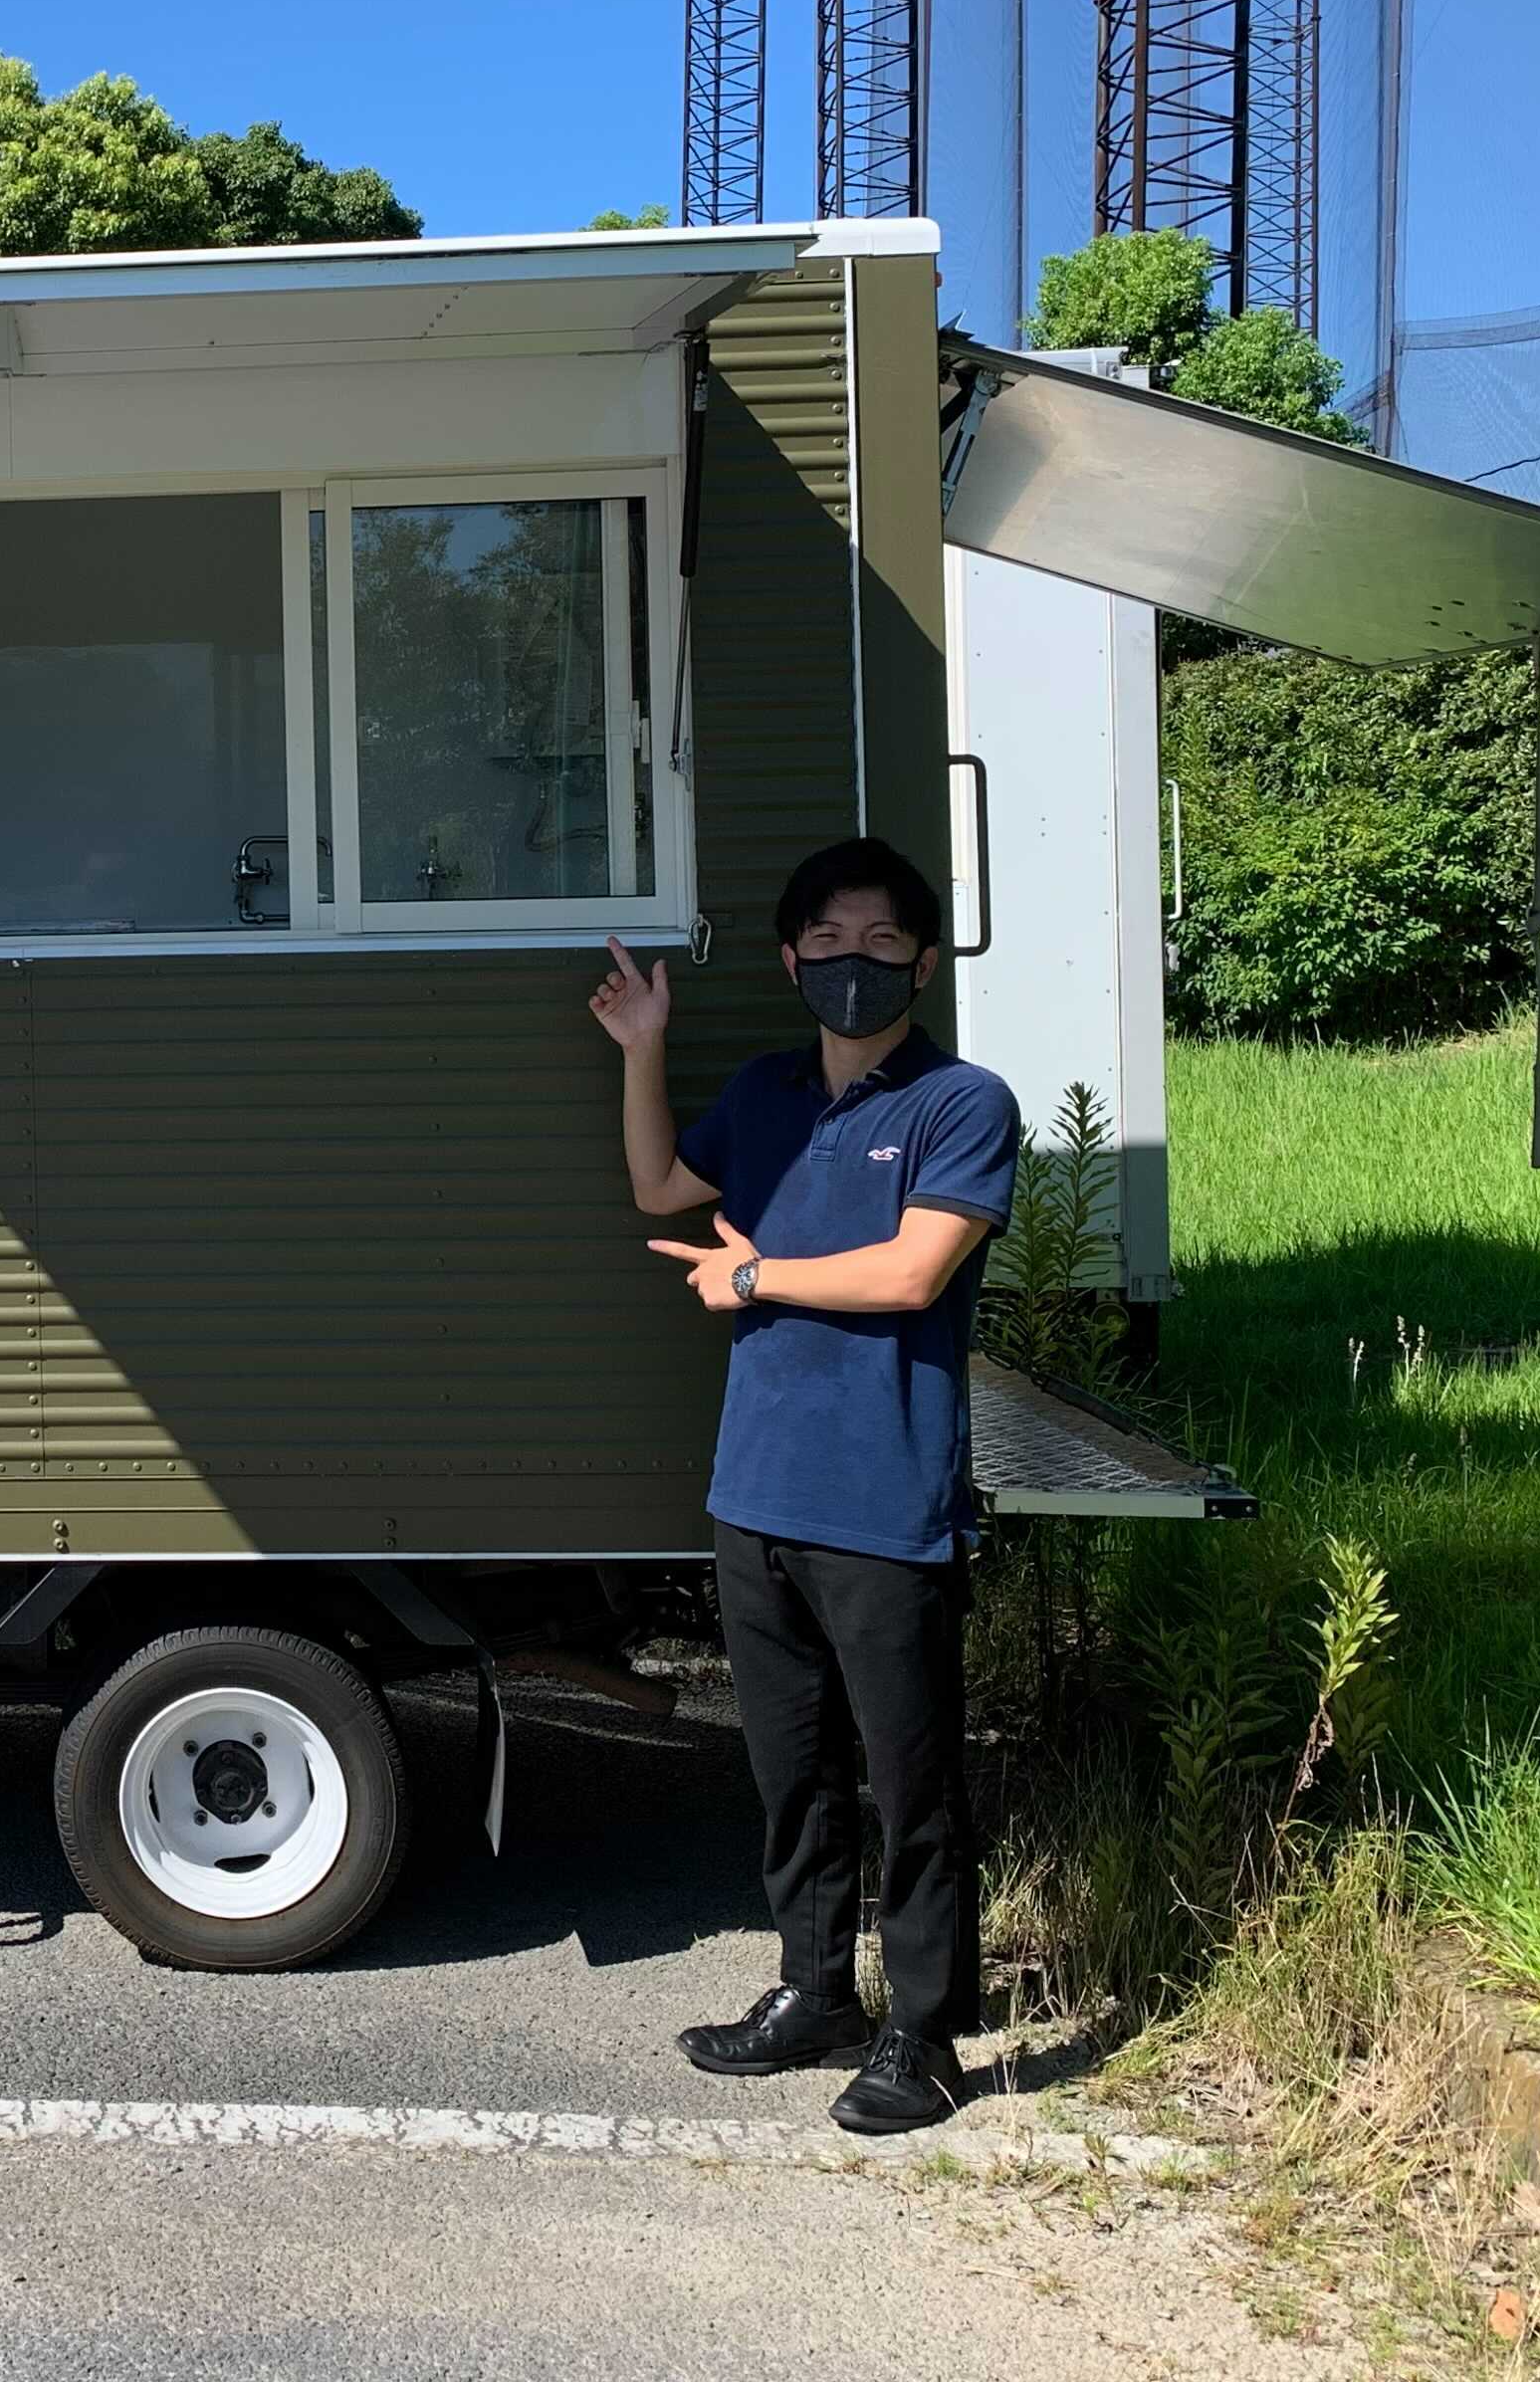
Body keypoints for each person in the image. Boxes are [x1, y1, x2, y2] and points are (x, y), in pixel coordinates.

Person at [586, 835, 1019, 2136]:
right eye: (827, 941)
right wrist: (643, 1048)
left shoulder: (961, 1104)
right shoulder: (768, 1092)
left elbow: (912, 1273)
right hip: (756, 1495)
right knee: (793, 1773)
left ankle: (925, 2037)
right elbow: (659, 1185)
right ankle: (815, 1993)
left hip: (885, 1503)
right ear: (790, 960)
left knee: (914, 1784)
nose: (853, 963)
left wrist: (753, 1277)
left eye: (882, 940)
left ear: (924, 962)